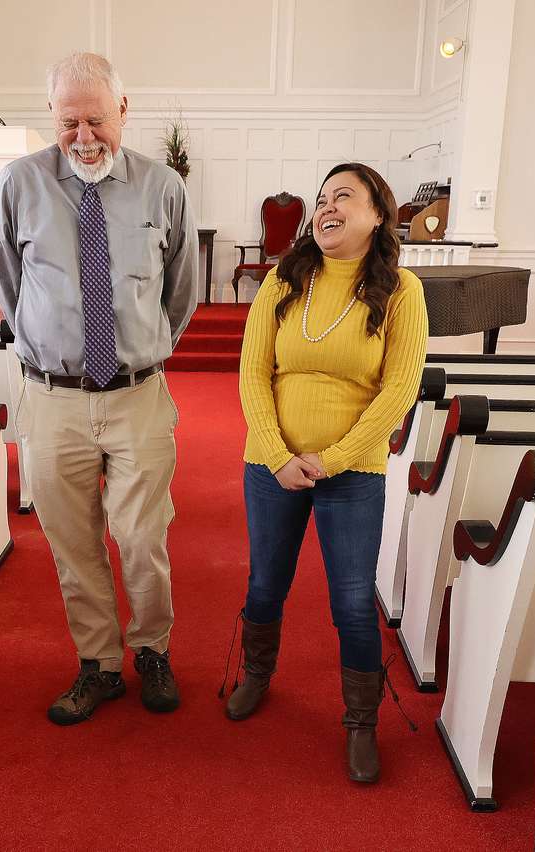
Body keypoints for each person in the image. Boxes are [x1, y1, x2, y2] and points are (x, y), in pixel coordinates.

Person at [0, 51, 198, 726]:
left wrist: (139, 350)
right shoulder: (19, 184)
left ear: (123, 112)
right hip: (53, 399)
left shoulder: (162, 187)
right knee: (73, 543)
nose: (83, 136)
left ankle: (153, 650)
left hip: (137, 394)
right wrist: (51, 346)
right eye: (69, 120)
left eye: (96, 120)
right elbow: (8, 285)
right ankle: (99, 665)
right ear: (52, 116)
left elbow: (182, 294)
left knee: (143, 540)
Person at [226, 163, 428, 783]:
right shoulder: (283, 282)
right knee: (266, 584)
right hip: (272, 463)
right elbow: (253, 371)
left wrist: (334, 459)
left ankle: (361, 721)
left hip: (353, 469)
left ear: (377, 215)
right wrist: (279, 451)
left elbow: (400, 390)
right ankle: (257, 674)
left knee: (352, 603)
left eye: (344, 196)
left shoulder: (402, 291)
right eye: (322, 199)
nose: (326, 207)